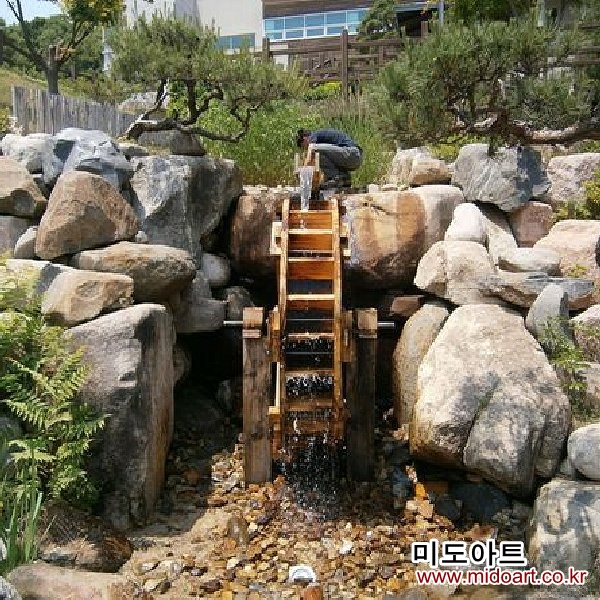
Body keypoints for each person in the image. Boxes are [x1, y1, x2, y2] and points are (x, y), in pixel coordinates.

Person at [296, 128, 363, 188]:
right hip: (353, 157)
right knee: (320, 154)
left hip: (352, 153)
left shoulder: (313, 136)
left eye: (304, 146)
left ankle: (337, 177)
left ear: (305, 139)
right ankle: (344, 179)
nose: (305, 149)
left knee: (314, 149)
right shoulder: (320, 139)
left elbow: (311, 151)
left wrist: (303, 170)